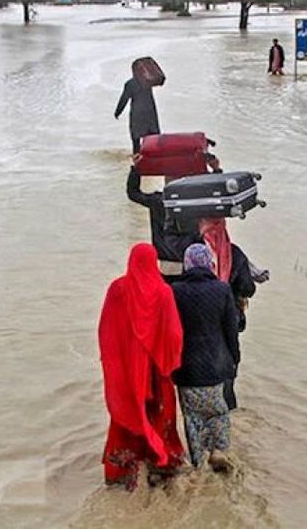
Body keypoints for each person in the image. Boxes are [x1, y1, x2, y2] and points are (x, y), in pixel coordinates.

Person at [98, 243, 187, 490]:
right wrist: (170, 362)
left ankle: (122, 472)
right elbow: (174, 334)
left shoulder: (117, 289)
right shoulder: (163, 292)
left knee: (127, 414)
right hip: (157, 371)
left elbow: (106, 330)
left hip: (128, 369)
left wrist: (113, 363)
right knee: (160, 414)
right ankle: (162, 467)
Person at [172, 244, 240, 471]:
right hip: (216, 366)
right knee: (218, 412)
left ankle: (198, 463)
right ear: (209, 263)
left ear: (187, 263)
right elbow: (231, 329)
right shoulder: (222, 289)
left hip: (186, 369)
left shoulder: (175, 291)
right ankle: (219, 451)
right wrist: (234, 358)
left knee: (192, 418)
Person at [126, 166, 201, 281]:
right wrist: (216, 170)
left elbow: (133, 193)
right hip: (191, 260)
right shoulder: (193, 202)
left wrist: (137, 169)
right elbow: (216, 195)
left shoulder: (158, 201)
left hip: (166, 260)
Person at [114, 75, 160, 154]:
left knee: (136, 140)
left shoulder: (130, 84)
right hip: (150, 114)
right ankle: (154, 156)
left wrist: (117, 112)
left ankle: (137, 157)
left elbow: (124, 99)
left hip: (137, 114)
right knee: (153, 139)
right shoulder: (148, 81)